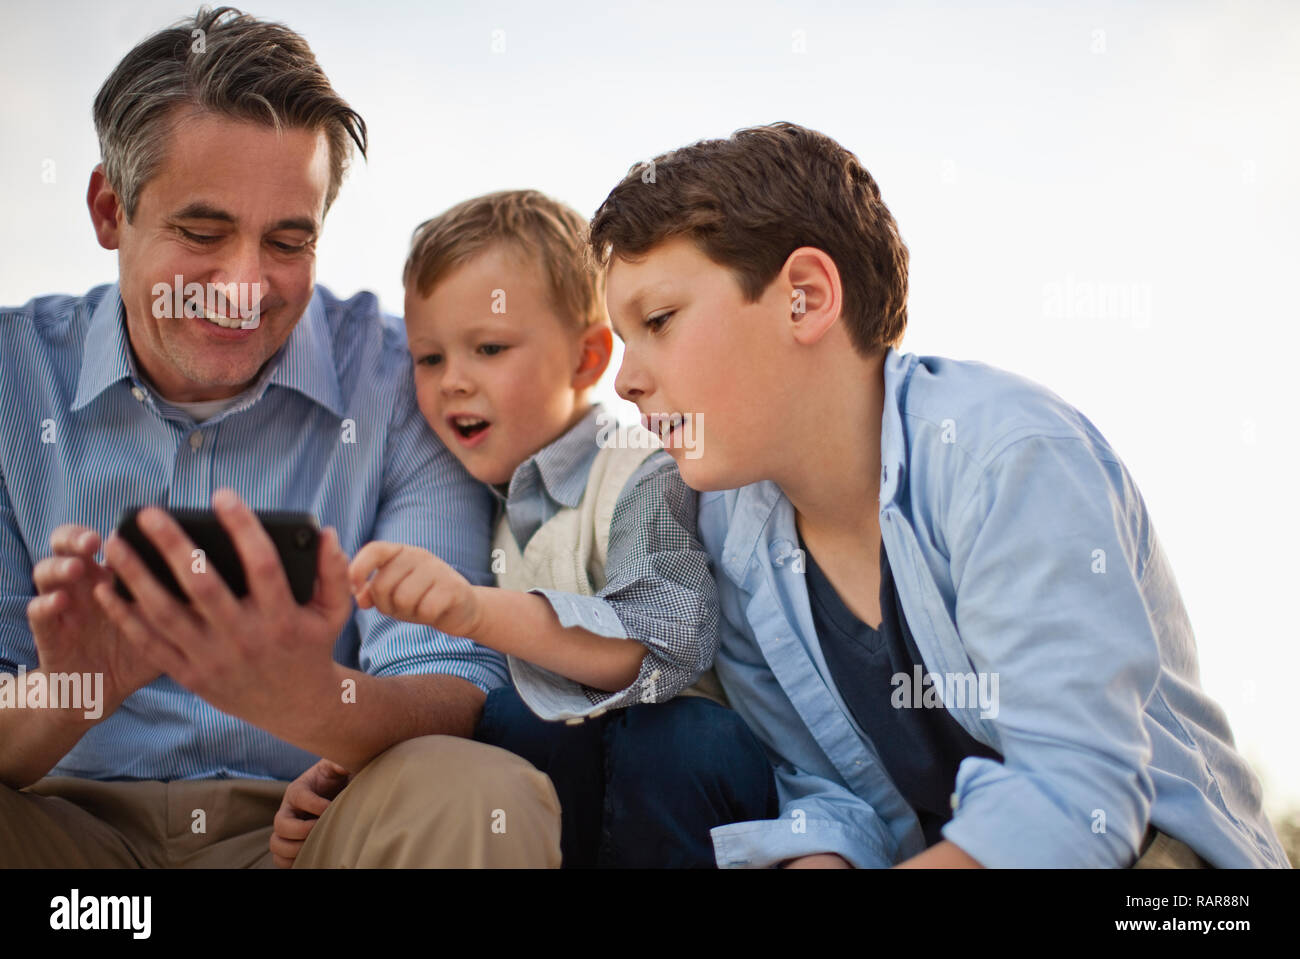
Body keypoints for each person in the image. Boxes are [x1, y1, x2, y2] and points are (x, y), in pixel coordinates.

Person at [589, 121, 1291, 869]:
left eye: (659, 321)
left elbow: (1075, 797)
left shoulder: (1005, 453)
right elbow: (828, 794)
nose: (626, 380)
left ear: (804, 298)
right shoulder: (732, 539)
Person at [0, 7, 560, 869]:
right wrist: (84, 687)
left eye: (289, 241)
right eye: (202, 232)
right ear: (111, 209)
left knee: (479, 792)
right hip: (58, 829)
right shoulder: (11, 377)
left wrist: (310, 699)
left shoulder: (397, 378)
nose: (244, 285)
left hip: (301, 834)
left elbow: (448, 685)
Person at [274, 189, 777, 867]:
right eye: (428, 358)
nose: (453, 381)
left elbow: (659, 639)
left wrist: (478, 610)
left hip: (683, 798)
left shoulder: (641, 472)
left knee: (677, 737)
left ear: (586, 359)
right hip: (569, 810)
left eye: (488, 347)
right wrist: (349, 776)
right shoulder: (468, 504)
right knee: (504, 719)